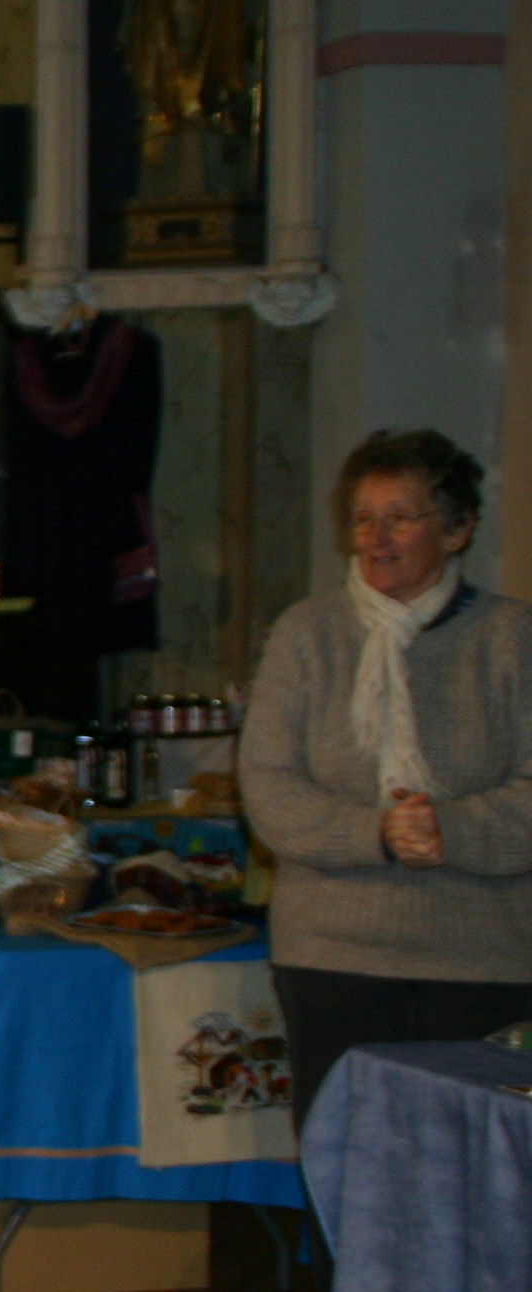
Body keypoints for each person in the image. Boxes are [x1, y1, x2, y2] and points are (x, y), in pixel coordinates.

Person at [240, 428, 532, 1126]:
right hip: (332, 961)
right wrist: (377, 832)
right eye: (363, 518)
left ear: (458, 530)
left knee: (477, 1170)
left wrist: (447, 829)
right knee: (346, 1163)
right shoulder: (306, 633)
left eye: (399, 518)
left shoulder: (512, 637)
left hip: (481, 964)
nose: (375, 538)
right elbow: (270, 786)